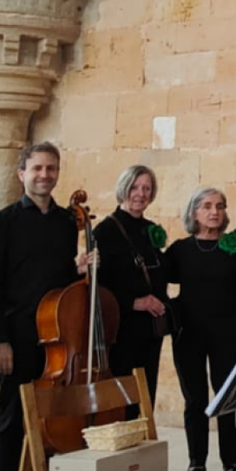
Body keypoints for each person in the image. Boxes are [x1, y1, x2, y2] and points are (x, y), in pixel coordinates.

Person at [0, 142, 92, 471]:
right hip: (18, 337)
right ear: (21, 173)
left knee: (47, 421)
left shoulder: (66, 222)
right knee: (13, 420)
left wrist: (77, 269)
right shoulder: (2, 223)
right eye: (38, 168)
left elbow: (58, 282)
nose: (45, 175)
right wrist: (1, 340)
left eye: (52, 168)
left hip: (56, 339)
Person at [167, 186, 236, 471]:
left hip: (228, 333)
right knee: (195, 401)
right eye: (206, 206)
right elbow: (155, 279)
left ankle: (232, 464)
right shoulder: (180, 250)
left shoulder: (235, 247)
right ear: (194, 212)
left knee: (226, 398)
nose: (214, 212)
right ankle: (197, 464)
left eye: (219, 206)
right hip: (189, 334)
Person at [94, 165, 169, 416]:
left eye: (147, 188)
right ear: (124, 188)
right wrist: (134, 302)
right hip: (122, 329)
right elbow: (99, 287)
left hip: (150, 330)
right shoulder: (105, 231)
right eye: (135, 187)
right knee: (124, 400)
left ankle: (141, 448)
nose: (140, 193)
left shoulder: (150, 230)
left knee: (145, 397)